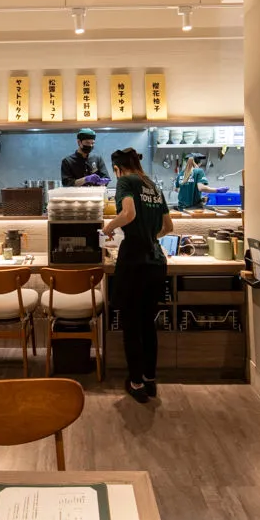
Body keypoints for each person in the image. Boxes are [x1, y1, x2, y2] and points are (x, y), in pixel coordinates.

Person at [102, 148, 173, 403]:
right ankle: (149, 379)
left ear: (117, 168)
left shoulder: (125, 182)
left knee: (131, 324)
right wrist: (150, 237)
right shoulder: (152, 185)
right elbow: (168, 227)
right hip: (156, 262)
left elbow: (128, 213)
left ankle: (136, 383)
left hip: (134, 261)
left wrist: (109, 227)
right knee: (147, 323)